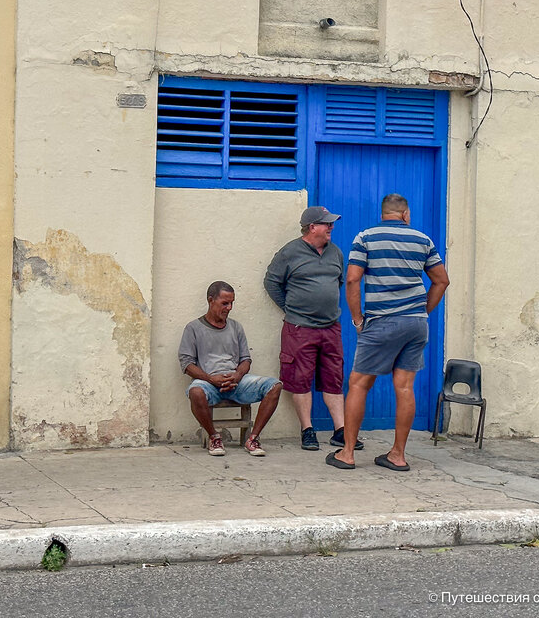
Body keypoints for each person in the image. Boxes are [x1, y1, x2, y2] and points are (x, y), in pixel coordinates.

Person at [326, 193, 449, 472]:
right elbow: (442, 280)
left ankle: (347, 453)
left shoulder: (366, 238)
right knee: (404, 386)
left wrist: (358, 320)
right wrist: (422, 312)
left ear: (383, 213)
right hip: (415, 324)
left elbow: (353, 279)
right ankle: (398, 455)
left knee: (359, 384)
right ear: (405, 214)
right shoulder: (423, 240)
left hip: (381, 321)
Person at [263, 206, 361, 452]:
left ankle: (340, 431)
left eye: (331, 223)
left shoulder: (335, 253)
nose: (331, 227)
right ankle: (307, 430)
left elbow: (338, 283)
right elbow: (272, 282)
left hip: (330, 327)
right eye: (326, 224)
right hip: (300, 328)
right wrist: (291, 308)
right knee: (300, 380)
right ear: (311, 227)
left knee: (334, 379)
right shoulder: (290, 252)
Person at [179, 281, 282, 457]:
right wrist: (211, 379)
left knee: (275, 386)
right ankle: (214, 437)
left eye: (232, 303)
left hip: (237, 382)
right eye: (224, 303)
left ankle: (253, 438)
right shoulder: (193, 328)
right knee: (195, 392)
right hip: (209, 383)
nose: (229, 307)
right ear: (211, 301)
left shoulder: (236, 327)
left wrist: (237, 375)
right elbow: (186, 364)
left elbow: (245, 360)